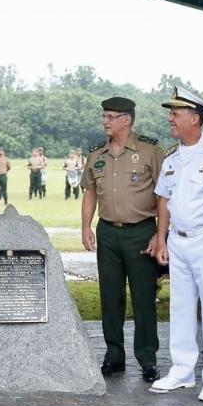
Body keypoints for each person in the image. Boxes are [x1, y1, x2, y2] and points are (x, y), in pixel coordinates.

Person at [150, 87, 203, 401]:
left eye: (176, 113)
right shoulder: (171, 156)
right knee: (180, 307)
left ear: (194, 118)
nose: (171, 119)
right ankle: (182, 371)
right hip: (178, 242)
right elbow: (163, 199)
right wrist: (161, 238)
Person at [81, 96, 163, 384]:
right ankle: (113, 356)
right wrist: (85, 227)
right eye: (104, 116)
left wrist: (159, 234)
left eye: (111, 116)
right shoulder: (96, 153)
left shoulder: (151, 150)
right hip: (107, 232)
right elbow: (89, 191)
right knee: (110, 297)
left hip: (141, 231)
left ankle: (148, 359)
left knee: (143, 298)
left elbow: (165, 195)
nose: (105, 121)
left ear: (127, 119)